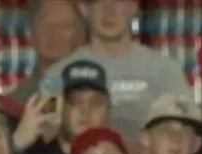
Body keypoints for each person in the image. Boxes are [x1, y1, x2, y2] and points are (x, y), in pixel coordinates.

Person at [41, 0, 194, 145]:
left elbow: (188, 134)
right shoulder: (57, 75)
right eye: (99, 1)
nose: (109, 11)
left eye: (119, 1)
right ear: (84, 8)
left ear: (133, 6)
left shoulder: (166, 70)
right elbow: (46, 137)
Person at [10, 0, 86, 106]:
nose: (55, 33)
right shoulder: (12, 104)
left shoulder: (103, 97)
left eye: (65, 26)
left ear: (81, 36)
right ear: (31, 35)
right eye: (48, 26)